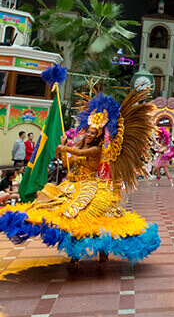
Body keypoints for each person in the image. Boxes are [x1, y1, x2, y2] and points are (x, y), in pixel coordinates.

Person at [0, 91, 160, 266]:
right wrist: (63, 148)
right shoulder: (79, 144)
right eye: (88, 132)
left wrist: (65, 147)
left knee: (90, 218)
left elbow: (81, 153)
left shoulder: (96, 150)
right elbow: (70, 164)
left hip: (91, 188)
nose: (90, 135)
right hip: (72, 184)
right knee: (49, 199)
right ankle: (74, 252)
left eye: (93, 133)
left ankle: (102, 251)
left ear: (98, 135)